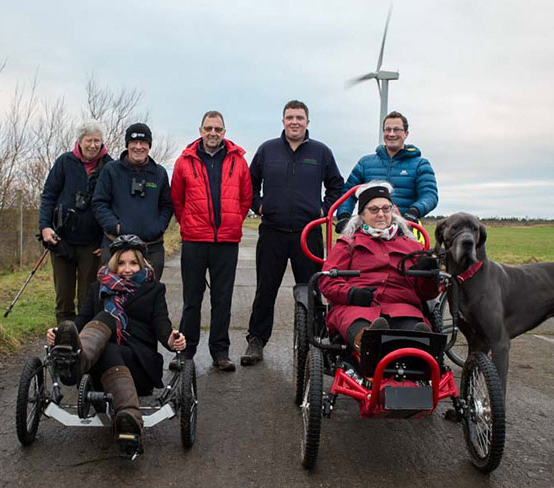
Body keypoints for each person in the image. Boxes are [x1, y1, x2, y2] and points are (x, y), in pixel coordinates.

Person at [47, 234, 186, 458]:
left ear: (142, 264)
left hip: (138, 364)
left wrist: (172, 339)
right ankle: (77, 359)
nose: (127, 269)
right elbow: (81, 322)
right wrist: (61, 334)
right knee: (103, 321)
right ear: (113, 264)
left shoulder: (154, 289)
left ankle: (80, 364)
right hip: (99, 367)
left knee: (107, 321)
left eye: (133, 263)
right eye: (121, 263)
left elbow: (162, 324)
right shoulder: (97, 289)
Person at [241, 100, 344, 366]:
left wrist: (323, 210)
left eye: (299, 117)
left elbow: (336, 186)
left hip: (307, 233)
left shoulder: (321, 152)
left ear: (308, 122)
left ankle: (318, 342)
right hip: (272, 232)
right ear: (283, 121)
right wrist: (259, 205)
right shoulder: (267, 150)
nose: (294, 122)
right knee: (266, 289)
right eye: (290, 117)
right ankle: (256, 341)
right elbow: (249, 183)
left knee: (312, 289)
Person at [170, 110, 252, 372]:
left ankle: (220, 352)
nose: (213, 133)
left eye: (217, 129)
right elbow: (177, 199)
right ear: (200, 130)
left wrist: (233, 222)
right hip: (195, 241)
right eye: (208, 128)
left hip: (226, 242)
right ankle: (186, 351)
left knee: (222, 299)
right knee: (192, 299)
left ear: (224, 132)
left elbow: (245, 198)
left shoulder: (238, 161)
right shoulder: (184, 161)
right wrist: (189, 224)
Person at [319, 181, 439, 352]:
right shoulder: (348, 243)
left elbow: (426, 294)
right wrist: (351, 294)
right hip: (357, 308)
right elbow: (326, 281)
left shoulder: (413, 247)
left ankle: (417, 345)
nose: (381, 214)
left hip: (403, 308)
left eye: (386, 208)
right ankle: (369, 343)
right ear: (362, 215)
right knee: (364, 330)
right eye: (374, 210)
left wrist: (429, 277)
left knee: (416, 330)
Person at [39, 120, 113, 324]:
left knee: (88, 297)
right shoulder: (64, 162)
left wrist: (107, 241)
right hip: (61, 240)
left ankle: (85, 344)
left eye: (97, 141)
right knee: (63, 296)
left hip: (93, 244)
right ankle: (63, 340)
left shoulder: (110, 166)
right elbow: (48, 196)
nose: (93, 145)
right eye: (89, 140)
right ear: (79, 141)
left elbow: (115, 205)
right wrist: (45, 227)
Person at [92, 123, 173, 279]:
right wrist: (115, 226)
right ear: (127, 145)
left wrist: (158, 227)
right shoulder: (111, 171)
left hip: (151, 247)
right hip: (116, 247)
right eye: (133, 143)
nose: (138, 147)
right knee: (113, 297)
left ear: (149, 146)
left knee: (149, 297)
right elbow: (99, 203)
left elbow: (167, 206)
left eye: (143, 143)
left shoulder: (159, 173)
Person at [336, 111, 438, 232]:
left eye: (397, 130)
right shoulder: (365, 163)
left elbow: (429, 195)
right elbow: (348, 193)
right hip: (369, 231)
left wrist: (413, 212)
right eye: (387, 129)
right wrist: (344, 216)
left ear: (406, 133)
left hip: (404, 230)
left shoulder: (420, 164)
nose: (391, 134)